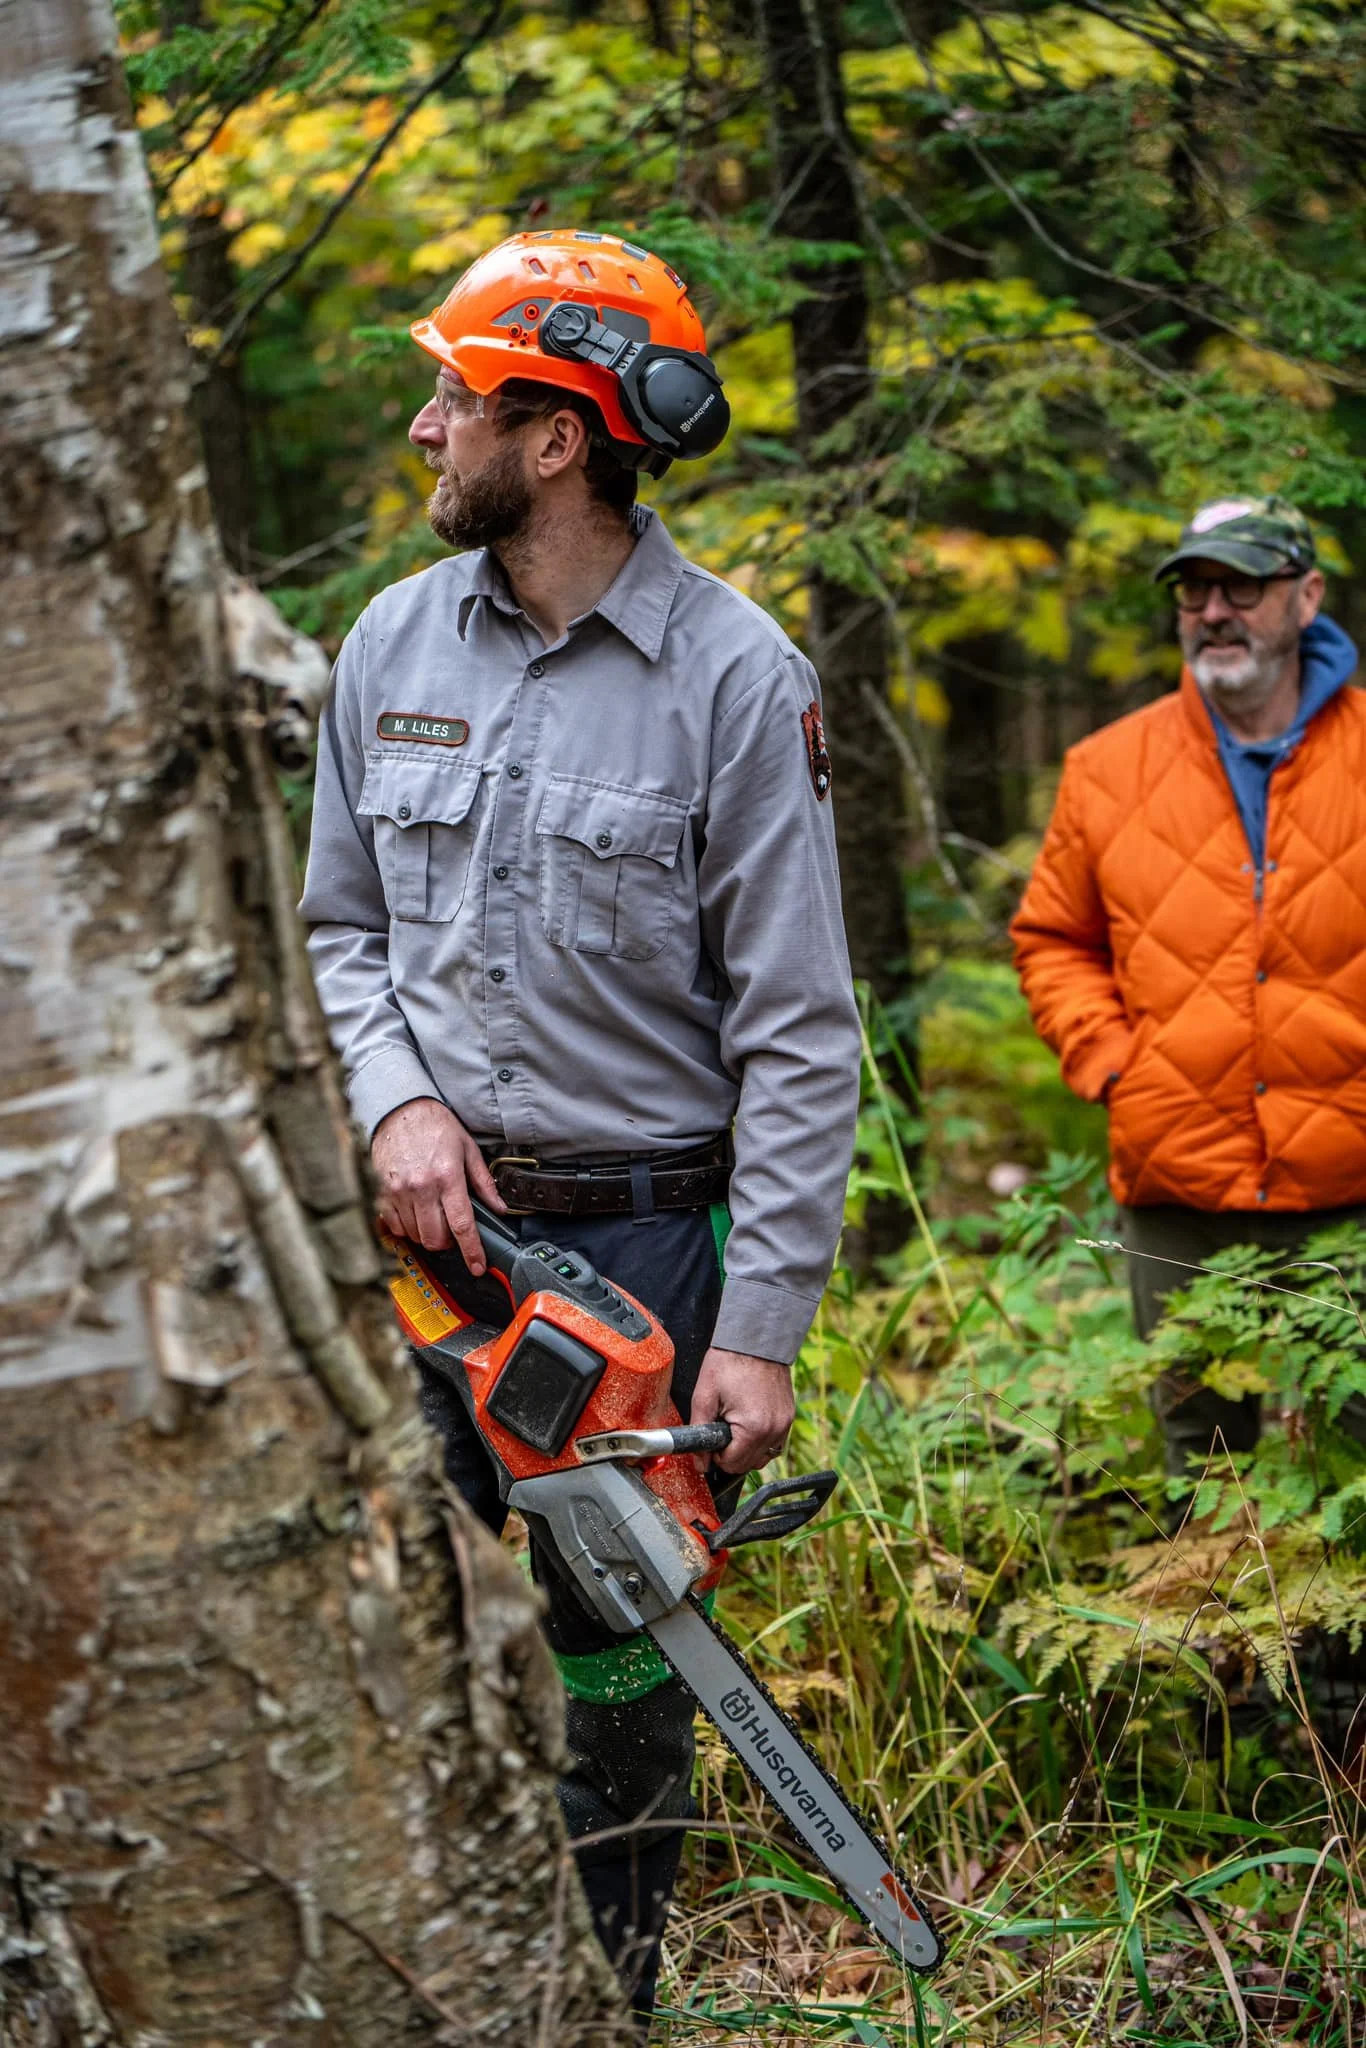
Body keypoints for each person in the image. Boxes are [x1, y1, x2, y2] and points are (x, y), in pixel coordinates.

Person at [299, 230, 861, 2023]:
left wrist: (757, 1334)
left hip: (635, 1249)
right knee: (387, 1630)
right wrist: (393, 1103)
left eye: (457, 398)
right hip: (420, 1247)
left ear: (558, 436)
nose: (422, 427)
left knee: (622, 1646)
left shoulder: (731, 676)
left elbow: (797, 1030)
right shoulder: (390, 634)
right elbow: (334, 932)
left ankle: (605, 1991)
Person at [1010, 496, 1366, 1480]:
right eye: (1193, 590)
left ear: (1305, 596)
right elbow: (1052, 938)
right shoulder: (1105, 770)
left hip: (1350, 1184)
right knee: (1203, 1468)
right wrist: (1118, 1064)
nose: (1213, 610)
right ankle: (1212, 1643)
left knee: (1356, 1466)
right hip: (1178, 1182)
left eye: (1240, 587)